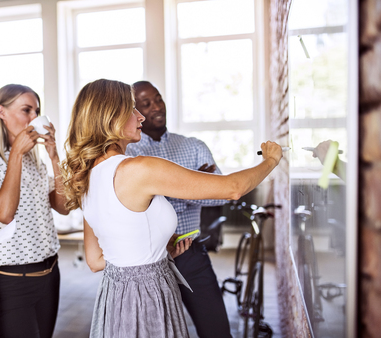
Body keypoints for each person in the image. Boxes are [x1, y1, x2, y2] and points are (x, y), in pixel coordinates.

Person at [60, 79, 282, 338]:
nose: (141, 115)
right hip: (148, 294)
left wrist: (157, 248)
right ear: (110, 118)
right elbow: (232, 188)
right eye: (132, 109)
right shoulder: (138, 168)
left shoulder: (86, 176)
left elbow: (96, 260)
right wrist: (271, 160)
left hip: (116, 296)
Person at [125, 80, 232, 337]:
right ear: (134, 111)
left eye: (158, 99)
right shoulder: (128, 154)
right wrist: (194, 184)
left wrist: (166, 191)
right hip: (148, 260)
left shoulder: (193, 146)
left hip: (191, 254)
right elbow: (133, 206)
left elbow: (220, 197)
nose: (156, 107)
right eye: (146, 103)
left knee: (216, 329)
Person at [0, 84, 69, 338]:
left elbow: (64, 207)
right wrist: (16, 156)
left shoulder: (35, 159)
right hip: (13, 280)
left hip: (49, 275)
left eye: (37, 111)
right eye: (26, 110)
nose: (34, 118)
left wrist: (54, 157)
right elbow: (3, 214)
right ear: (1, 111)